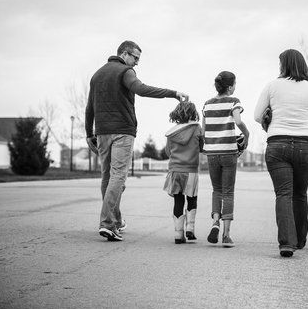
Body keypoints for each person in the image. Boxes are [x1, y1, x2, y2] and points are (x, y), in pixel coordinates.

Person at [85, 40, 188, 242]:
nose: (137, 63)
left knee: (107, 177)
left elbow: (90, 108)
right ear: (125, 54)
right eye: (135, 58)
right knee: (118, 177)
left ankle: (116, 220)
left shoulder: (97, 74)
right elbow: (141, 89)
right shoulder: (125, 72)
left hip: (102, 132)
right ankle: (106, 223)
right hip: (122, 131)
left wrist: (89, 133)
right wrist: (173, 93)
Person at [254, 49, 308, 257]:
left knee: (283, 194)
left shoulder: (272, 86)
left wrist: (271, 117)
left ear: (284, 64)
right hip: (305, 147)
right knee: (299, 194)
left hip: (277, 145)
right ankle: (300, 239)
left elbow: (256, 115)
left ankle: (287, 243)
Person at [202, 71, 249, 248]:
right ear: (229, 87)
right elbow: (237, 120)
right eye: (235, 84)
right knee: (228, 192)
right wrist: (247, 134)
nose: (235, 87)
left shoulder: (207, 104)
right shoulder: (233, 101)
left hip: (212, 153)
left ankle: (215, 222)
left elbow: (203, 130)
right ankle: (226, 235)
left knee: (217, 190)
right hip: (229, 152)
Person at [163, 101, 203, 244]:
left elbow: (168, 152)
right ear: (193, 114)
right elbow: (202, 146)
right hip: (191, 171)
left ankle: (178, 234)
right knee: (192, 198)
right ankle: (190, 228)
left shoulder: (172, 132)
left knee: (178, 200)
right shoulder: (197, 128)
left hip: (175, 171)